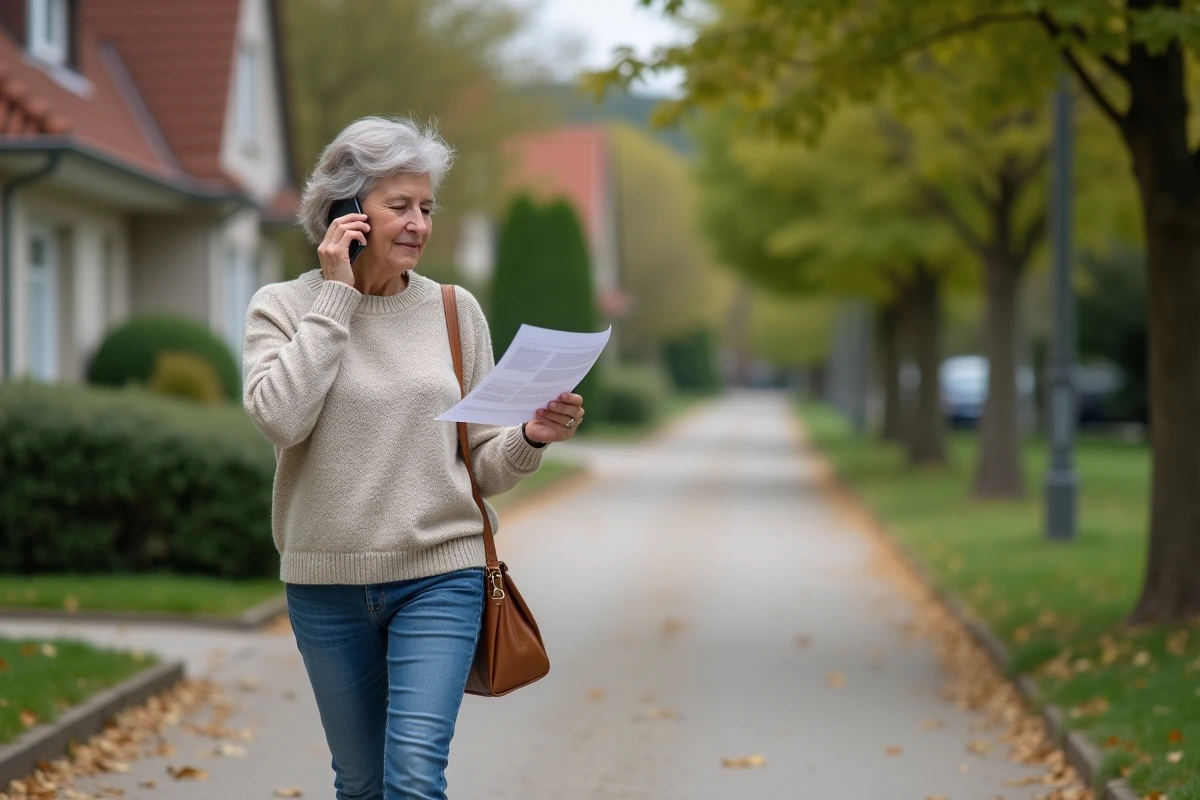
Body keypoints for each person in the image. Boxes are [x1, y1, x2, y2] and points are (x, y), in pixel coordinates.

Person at [241, 116, 585, 800]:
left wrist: (531, 437)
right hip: (326, 583)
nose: (419, 224)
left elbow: (481, 462)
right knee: (362, 782)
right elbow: (280, 417)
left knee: (415, 776)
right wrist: (337, 296)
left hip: (441, 574)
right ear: (345, 211)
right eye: (400, 205)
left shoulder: (456, 312)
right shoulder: (282, 307)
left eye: (427, 207)